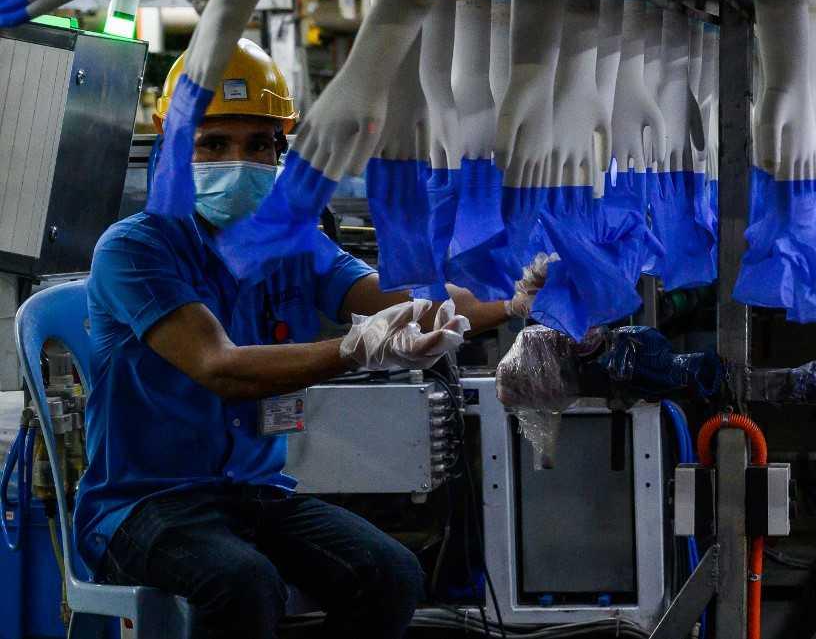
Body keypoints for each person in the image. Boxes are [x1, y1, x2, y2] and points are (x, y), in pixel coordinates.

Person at [74, 40, 540, 639]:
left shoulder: (291, 243)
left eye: (259, 144)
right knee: (242, 583)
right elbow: (221, 367)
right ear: (170, 144)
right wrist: (352, 348)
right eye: (213, 144)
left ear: (281, 152)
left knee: (390, 573)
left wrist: (518, 296)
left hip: (253, 494)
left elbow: (407, 297)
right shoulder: (136, 248)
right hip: (141, 506)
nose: (238, 161)